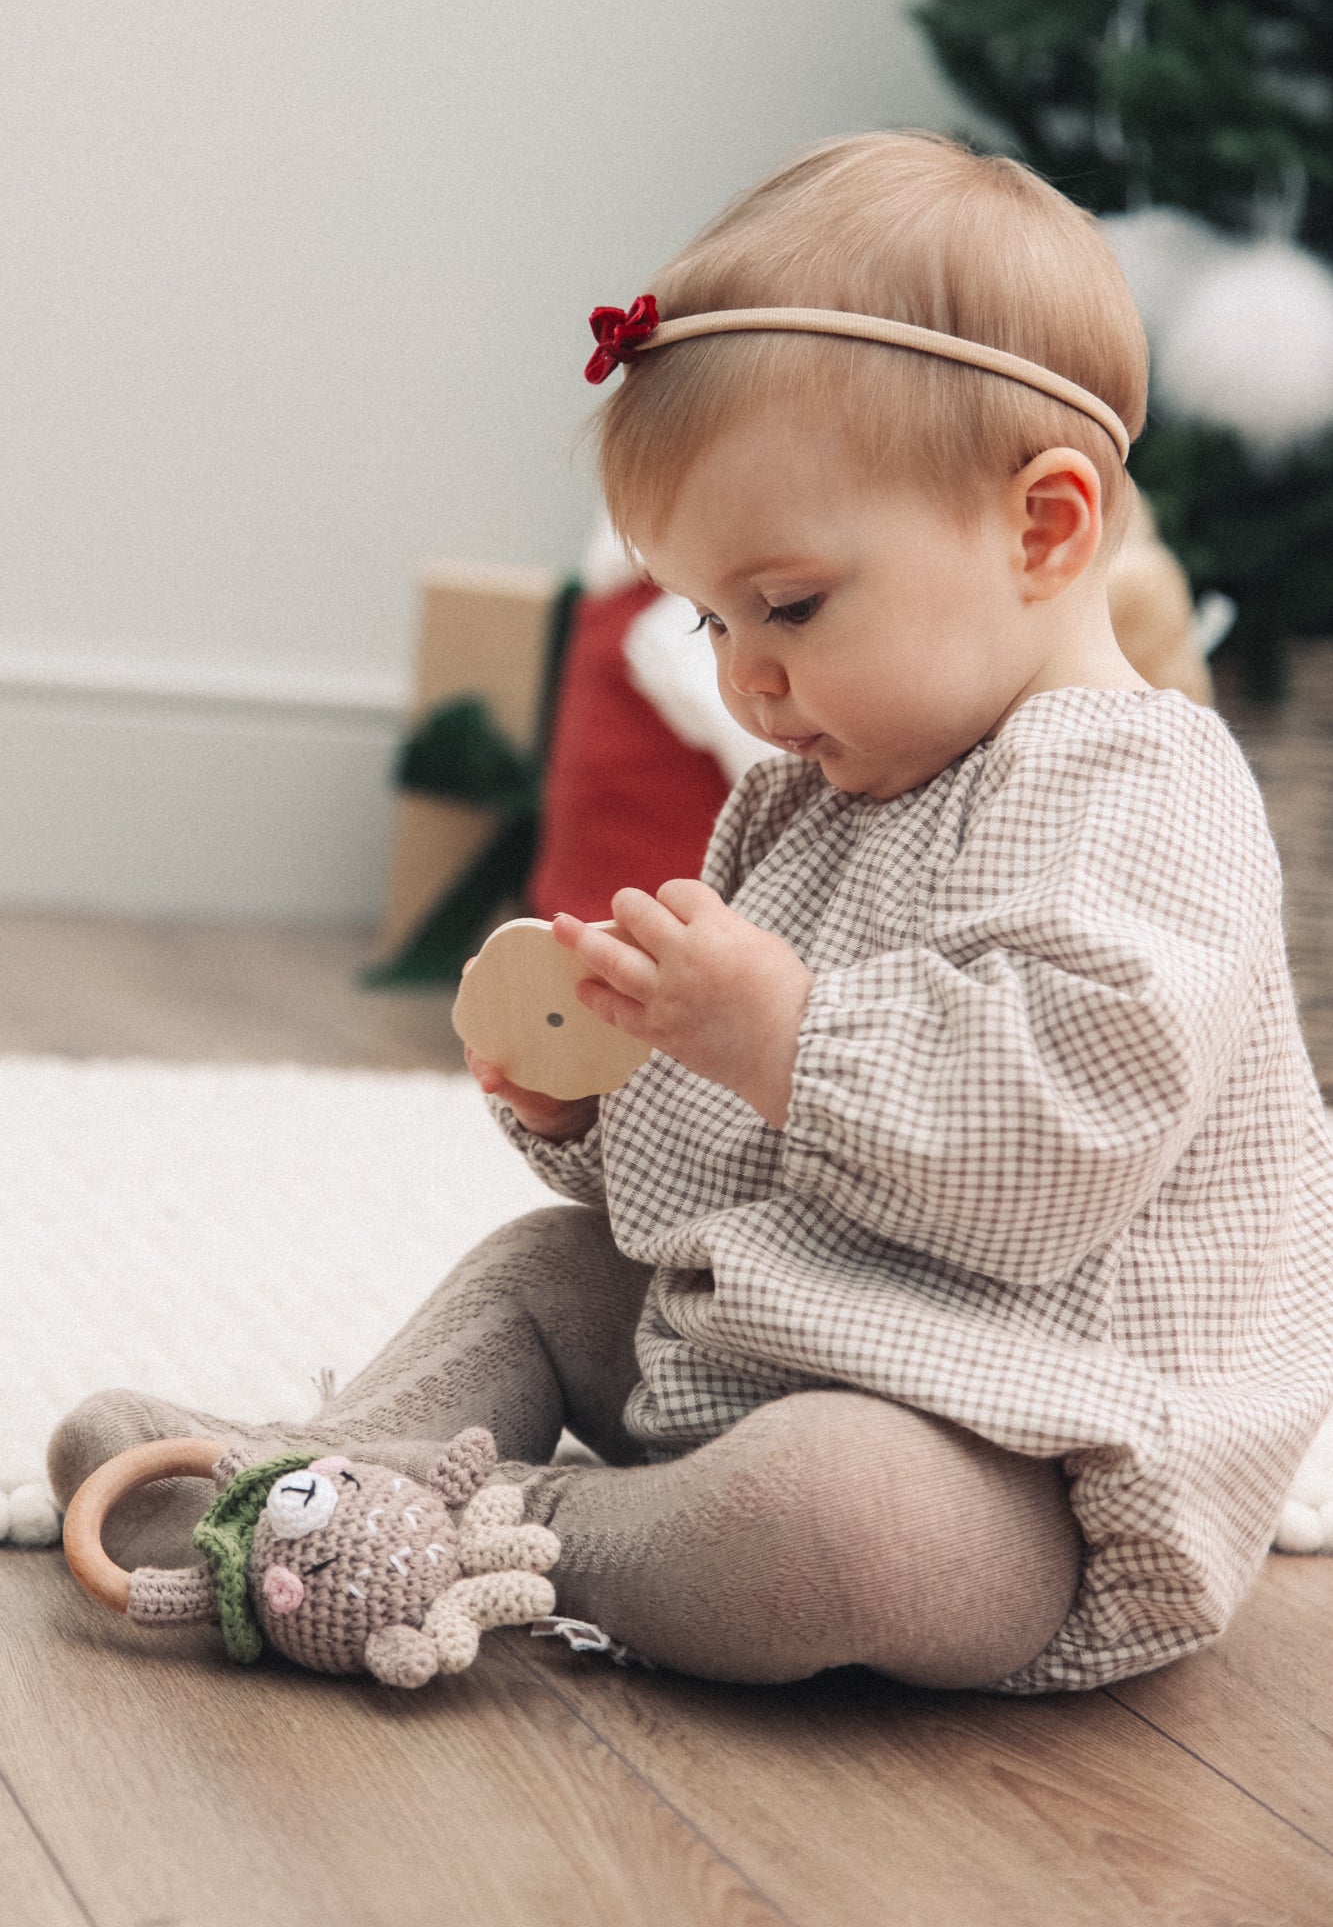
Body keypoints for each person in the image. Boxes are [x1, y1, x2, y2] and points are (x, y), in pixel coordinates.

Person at [51, 133, 1333, 1694]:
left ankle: (461, 1527)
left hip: (1026, 1450)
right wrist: (597, 1096)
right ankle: (317, 1470)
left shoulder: (1144, 789)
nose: (742, 674)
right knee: (541, 1263)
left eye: (787, 604)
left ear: (1044, 529)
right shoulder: (803, 800)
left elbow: (1056, 1146)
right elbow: (716, 1152)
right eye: (710, 616)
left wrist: (782, 1035)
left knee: (823, 1527)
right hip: (779, 1325)